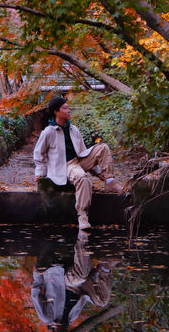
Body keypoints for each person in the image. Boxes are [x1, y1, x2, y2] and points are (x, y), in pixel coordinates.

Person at [33, 95, 122, 231]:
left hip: (79, 161)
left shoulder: (73, 129)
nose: (69, 110)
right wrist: (40, 173)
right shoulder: (49, 131)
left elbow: (83, 152)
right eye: (65, 108)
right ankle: (82, 215)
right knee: (83, 178)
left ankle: (110, 181)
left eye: (68, 108)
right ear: (56, 112)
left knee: (102, 147)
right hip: (65, 166)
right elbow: (39, 154)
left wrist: (99, 173)